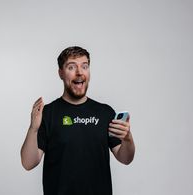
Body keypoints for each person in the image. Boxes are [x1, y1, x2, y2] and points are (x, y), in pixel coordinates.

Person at [20, 46, 135, 195]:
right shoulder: (48, 113)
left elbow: (125, 158)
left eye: (84, 66)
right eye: (71, 67)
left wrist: (128, 139)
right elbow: (28, 163)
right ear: (60, 73)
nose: (80, 72)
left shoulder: (105, 112)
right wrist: (33, 129)